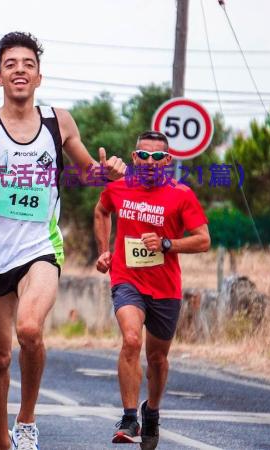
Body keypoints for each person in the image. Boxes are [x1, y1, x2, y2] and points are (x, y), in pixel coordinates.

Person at [0, 32, 126, 450]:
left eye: (27, 64)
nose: (19, 70)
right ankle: (2, 441)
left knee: (30, 329)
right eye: (10, 64)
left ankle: (27, 420)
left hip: (40, 247)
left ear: (39, 76)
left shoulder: (59, 121)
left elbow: (87, 173)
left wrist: (107, 171)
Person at [93, 130, 210, 448]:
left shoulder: (181, 194)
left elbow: (203, 239)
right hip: (126, 279)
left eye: (157, 157)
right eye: (142, 155)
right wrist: (104, 250)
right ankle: (130, 417)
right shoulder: (118, 188)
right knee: (131, 340)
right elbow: (102, 210)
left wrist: (168, 243)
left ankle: (152, 412)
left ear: (168, 161)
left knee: (157, 359)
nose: (148, 162)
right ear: (134, 158)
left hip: (165, 287)